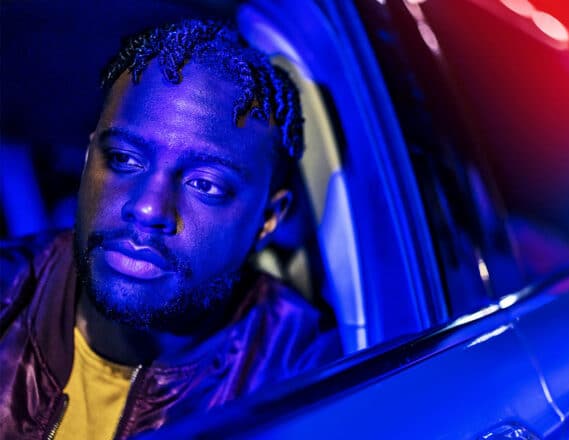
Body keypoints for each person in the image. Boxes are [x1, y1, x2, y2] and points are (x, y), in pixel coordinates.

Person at [0, 18, 340, 440]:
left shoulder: (308, 378)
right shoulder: (9, 292)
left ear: (267, 220)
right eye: (125, 159)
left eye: (205, 185)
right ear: (89, 160)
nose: (146, 208)